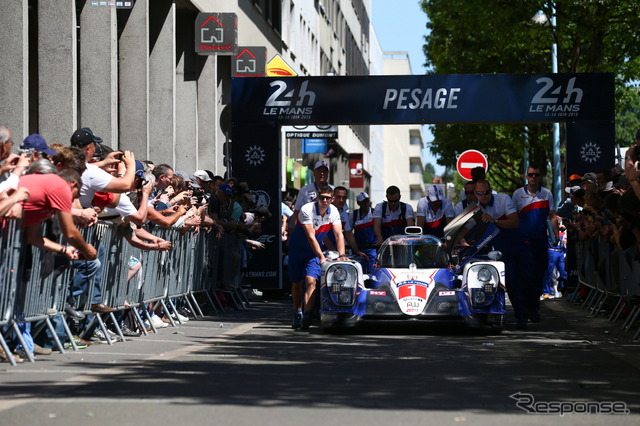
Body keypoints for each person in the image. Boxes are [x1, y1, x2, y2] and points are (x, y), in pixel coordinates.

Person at [474, 179, 533, 330]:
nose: (484, 196)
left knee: (527, 279)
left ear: (490, 190)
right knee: (511, 282)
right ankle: (521, 317)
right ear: (476, 194)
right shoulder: (475, 209)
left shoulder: (503, 199)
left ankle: (531, 310)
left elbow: (514, 222)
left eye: (486, 192)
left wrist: (494, 221)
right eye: (480, 193)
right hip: (501, 251)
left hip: (519, 245)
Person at [288, 186, 345, 330]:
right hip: (298, 249)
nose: (324, 200)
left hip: (313, 252)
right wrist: (322, 256)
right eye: (322, 197)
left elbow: (339, 235)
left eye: (327, 198)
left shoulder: (334, 212)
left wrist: (342, 255)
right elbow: (310, 236)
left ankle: (307, 315)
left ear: (332, 199)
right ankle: (297, 311)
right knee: (296, 283)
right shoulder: (307, 209)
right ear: (317, 198)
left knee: (311, 280)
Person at [512, 166, 557, 324]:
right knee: (525, 276)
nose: (533, 177)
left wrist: (554, 236)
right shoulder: (518, 194)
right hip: (523, 242)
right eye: (530, 174)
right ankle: (525, 308)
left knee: (538, 275)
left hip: (540, 241)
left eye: (536, 174)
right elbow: (514, 218)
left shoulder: (546, 194)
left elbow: (552, 216)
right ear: (526, 176)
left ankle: (534, 308)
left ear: (540, 176)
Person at [291, 160, 334, 231]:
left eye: (325, 171)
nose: (322, 174)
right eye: (319, 171)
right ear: (314, 173)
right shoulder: (305, 190)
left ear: (328, 174)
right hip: (308, 227)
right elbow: (297, 212)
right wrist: (295, 230)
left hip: (328, 227)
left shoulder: (333, 189)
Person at [350, 192, 377, 273]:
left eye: (367, 201)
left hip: (372, 248)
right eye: (363, 202)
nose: (366, 204)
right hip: (358, 249)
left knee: (372, 271)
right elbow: (348, 232)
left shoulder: (375, 213)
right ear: (358, 203)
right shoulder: (353, 215)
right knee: (358, 272)